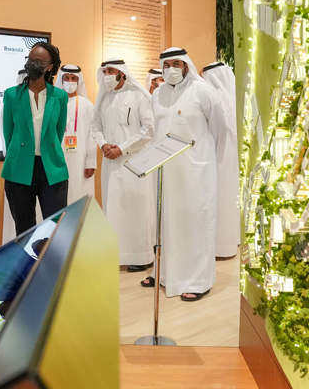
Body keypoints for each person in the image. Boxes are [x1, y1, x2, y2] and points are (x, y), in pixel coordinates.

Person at [142, 47, 227, 301]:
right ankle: (166, 274)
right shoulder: (158, 93)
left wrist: (206, 160)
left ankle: (199, 281)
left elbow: (220, 130)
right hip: (165, 171)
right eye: (166, 65)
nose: (171, 70)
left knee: (195, 223)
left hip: (195, 171)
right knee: (167, 222)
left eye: (176, 64)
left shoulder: (202, 90)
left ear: (186, 66)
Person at [90, 58, 156, 272]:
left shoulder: (138, 96)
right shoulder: (104, 98)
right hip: (110, 163)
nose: (107, 75)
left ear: (122, 73)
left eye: (111, 71)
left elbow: (148, 130)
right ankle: (117, 255)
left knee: (136, 209)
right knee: (115, 209)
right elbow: (95, 125)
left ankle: (143, 257)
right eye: (105, 71)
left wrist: (123, 148)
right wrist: (103, 144)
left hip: (134, 163)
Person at [1, 41, 70, 235]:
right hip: (20, 168)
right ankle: (26, 257)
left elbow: (58, 132)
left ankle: (51, 257)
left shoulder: (59, 96)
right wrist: (18, 155)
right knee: (24, 229)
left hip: (51, 168)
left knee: (55, 228)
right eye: (30, 60)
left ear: (50, 66)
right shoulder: (12, 95)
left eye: (39, 62)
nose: (32, 65)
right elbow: (8, 133)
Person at [202, 62, 241, 258]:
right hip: (231, 161)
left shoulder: (216, 99)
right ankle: (230, 242)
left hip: (217, 158)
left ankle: (219, 246)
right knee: (230, 199)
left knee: (219, 200)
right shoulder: (235, 99)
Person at [58, 64, 97, 204]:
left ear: (78, 81)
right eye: (66, 78)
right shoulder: (54, 103)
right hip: (58, 157)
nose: (70, 81)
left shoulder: (87, 105)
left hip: (80, 158)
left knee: (80, 193)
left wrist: (90, 162)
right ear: (61, 80)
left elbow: (92, 135)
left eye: (73, 78)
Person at [1, 69, 31, 244]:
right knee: (22, 219)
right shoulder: (11, 97)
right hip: (16, 164)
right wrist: (13, 157)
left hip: (42, 164)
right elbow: (7, 132)